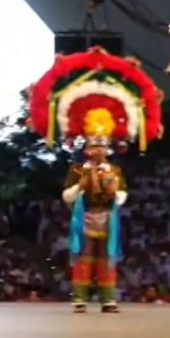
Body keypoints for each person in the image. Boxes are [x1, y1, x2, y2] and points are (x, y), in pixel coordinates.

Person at [62, 116, 128, 314]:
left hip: (107, 217)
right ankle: (80, 298)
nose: (97, 151)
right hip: (85, 216)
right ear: (87, 149)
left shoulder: (114, 170)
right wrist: (79, 186)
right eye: (93, 146)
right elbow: (66, 196)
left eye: (101, 146)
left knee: (106, 258)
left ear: (107, 149)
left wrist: (114, 192)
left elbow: (123, 195)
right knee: (83, 257)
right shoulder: (77, 170)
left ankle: (108, 299)